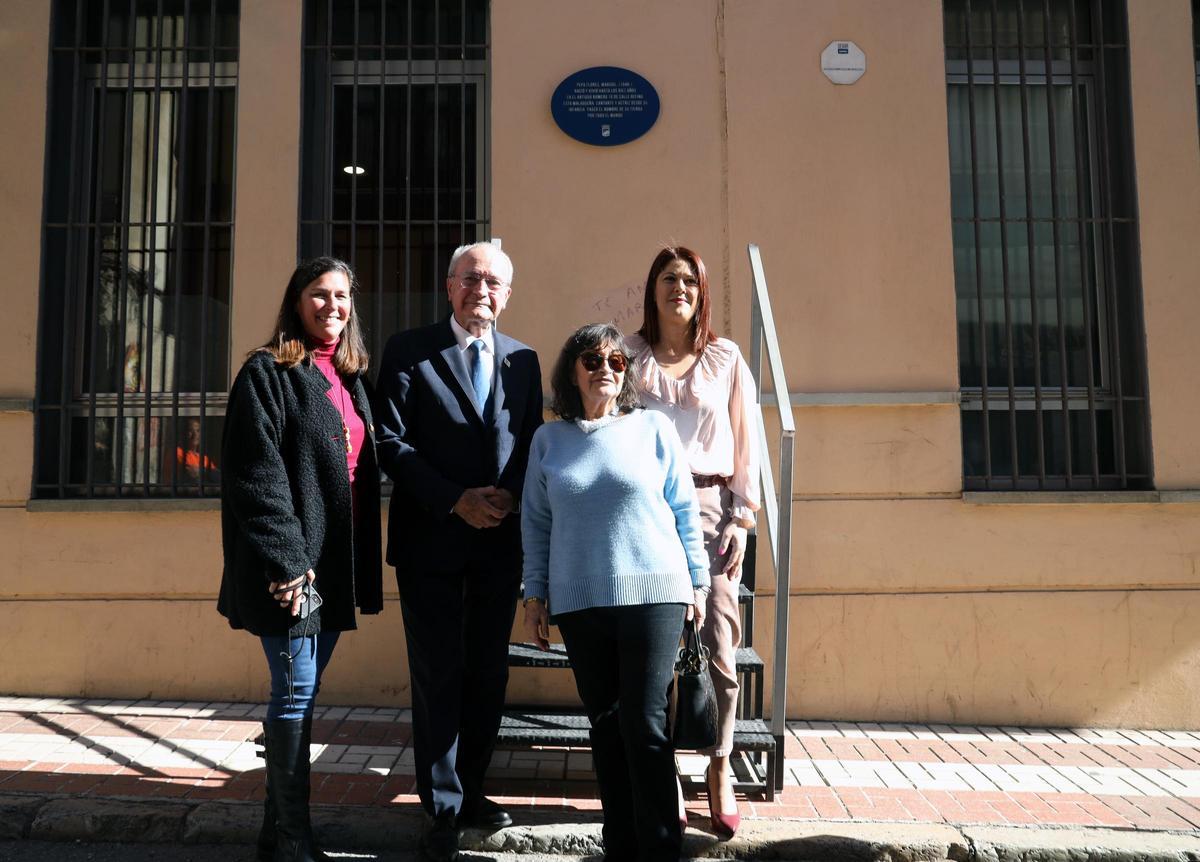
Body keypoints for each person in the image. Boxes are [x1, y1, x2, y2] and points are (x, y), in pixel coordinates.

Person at [374, 242, 543, 862]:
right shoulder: (408, 350)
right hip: (431, 542)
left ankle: (473, 792)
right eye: (471, 278)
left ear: (507, 294)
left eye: (495, 281)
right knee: (439, 673)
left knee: (488, 673)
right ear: (449, 287)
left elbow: (530, 442)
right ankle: (442, 809)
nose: (483, 290)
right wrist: (454, 500)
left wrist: (511, 496)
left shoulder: (523, 360)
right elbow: (388, 442)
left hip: (500, 543)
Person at [522, 323, 710, 862]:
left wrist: (697, 581)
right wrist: (534, 596)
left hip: (655, 593)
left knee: (644, 720)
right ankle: (621, 844)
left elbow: (683, 510)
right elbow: (535, 524)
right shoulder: (548, 440)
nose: (605, 367)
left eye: (616, 361)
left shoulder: (652, 428)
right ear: (572, 372)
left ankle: (659, 847)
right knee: (603, 723)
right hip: (580, 601)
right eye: (592, 359)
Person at [218, 257, 383, 862]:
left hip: (333, 566)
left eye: (342, 296)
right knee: (294, 690)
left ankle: (274, 832)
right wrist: (287, 562)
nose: (332, 306)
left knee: (303, 694)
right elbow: (252, 475)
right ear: (296, 301)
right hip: (289, 567)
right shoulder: (267, 372)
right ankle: (293, 836)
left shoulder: (349, 378)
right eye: (319, 295)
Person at [625, 246, 761, 840]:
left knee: (719, 643)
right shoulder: (627, 356)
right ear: (651, 288)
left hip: (710, 510)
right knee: (657, 650)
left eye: (688, 280)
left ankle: (719, 764)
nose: (678, 287)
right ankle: (668, 777)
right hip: (643, 512)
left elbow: (745, 436)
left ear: (701, 291)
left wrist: (742, 514)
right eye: (667, 278)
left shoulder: (725, 358)